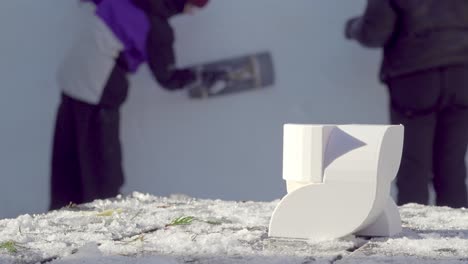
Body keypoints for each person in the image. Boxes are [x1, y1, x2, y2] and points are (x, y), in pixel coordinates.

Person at [50, 0, 224, 210]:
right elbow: (166, 77)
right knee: (102, 161)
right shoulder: (158, 28)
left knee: (69, 157)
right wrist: (198, 76)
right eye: (195, 6)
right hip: (99, 85)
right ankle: (105, 213)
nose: (193, 13)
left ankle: (62, 212)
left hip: (73, 74)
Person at [345, 0, 468, 208]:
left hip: (415, 79)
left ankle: (415, 237)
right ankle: (459, 238)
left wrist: (352, 28)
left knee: (414, 169)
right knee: (452, 168)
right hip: (461, 75)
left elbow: (375, 32)